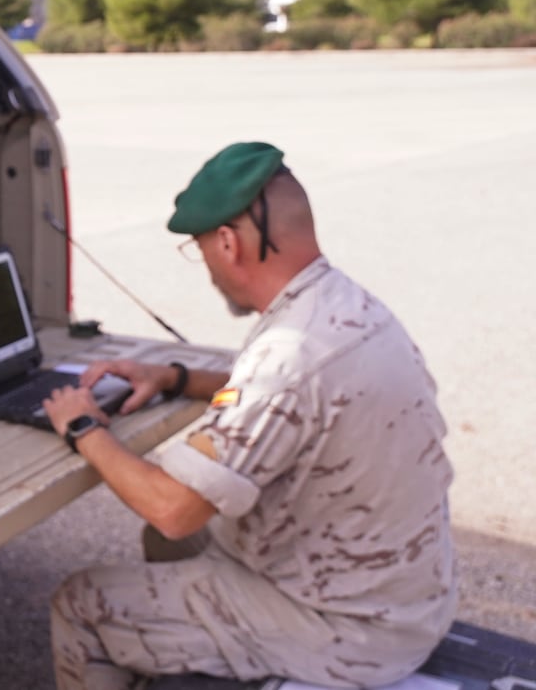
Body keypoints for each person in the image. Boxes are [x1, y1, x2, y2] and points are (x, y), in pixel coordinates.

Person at [41, 142, 455, 690]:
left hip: (349, 633)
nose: (207, 264)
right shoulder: (344, 307)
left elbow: (173, 509)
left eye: (201, 247)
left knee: (81, 604)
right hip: (402, 597)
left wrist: (83, 426)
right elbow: (294, 393)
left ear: (229, 243)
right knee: (167, 548)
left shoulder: (288, 355)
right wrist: (174, 377)